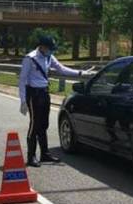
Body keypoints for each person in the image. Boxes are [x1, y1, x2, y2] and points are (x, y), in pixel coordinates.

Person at [19, 35, 93, 167]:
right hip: (33, 94)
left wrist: (81, 73)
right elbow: (22, 80)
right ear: (42, 46)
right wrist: (23, 100)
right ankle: (31, 156)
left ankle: (45, 154)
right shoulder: (30, 58)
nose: (51, 51)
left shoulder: (49, 57)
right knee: (34, 125)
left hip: (44, 93)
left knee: (44, 124)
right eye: (49, 48)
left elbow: (62, 69)